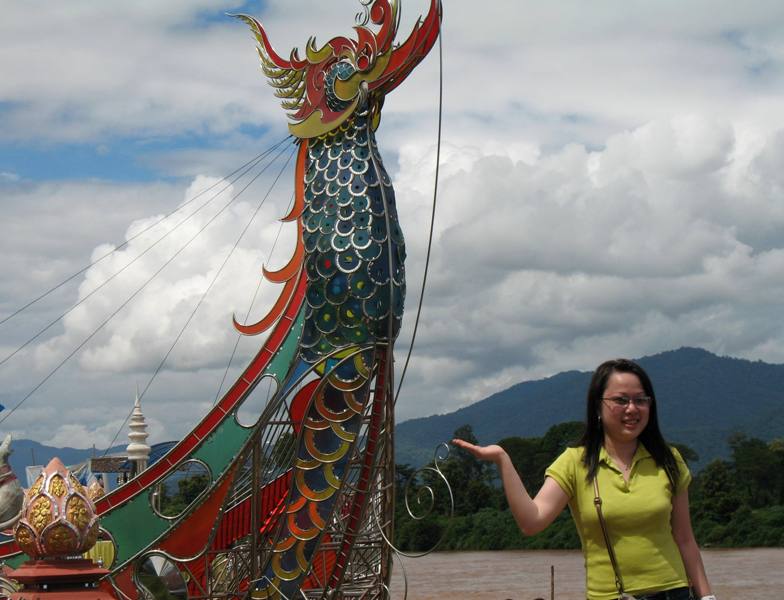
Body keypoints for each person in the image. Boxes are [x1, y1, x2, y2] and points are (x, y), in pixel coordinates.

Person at [453, 358, 716, 600]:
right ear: (598, 407)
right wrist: (502, 459)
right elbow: (531, 522)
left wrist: (707, 597)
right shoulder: (575, 463)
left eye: (641, 400)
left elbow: (685, 539)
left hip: (675, 592)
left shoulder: (669, 460)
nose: (632, 408)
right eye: (621, 400)